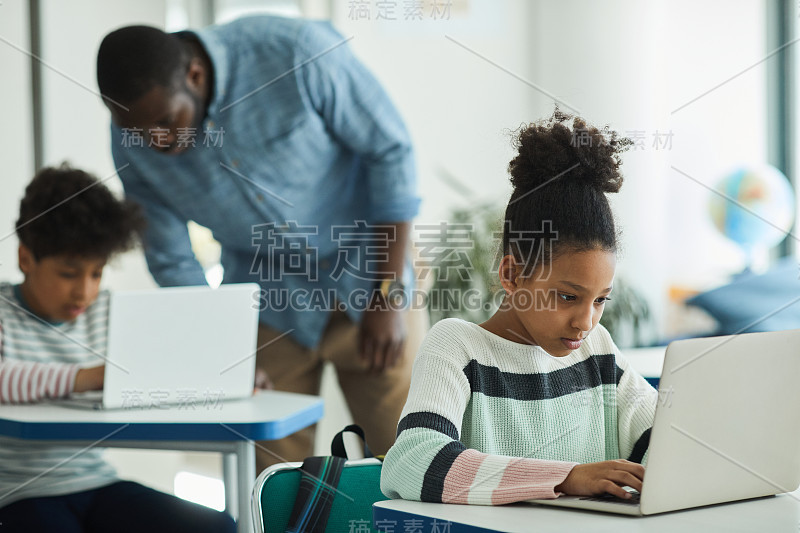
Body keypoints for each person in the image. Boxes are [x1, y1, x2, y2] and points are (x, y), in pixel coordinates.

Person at [95, 15, 424, 471]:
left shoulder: (294, 51)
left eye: (166, 122)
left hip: (371, 279)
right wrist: (222, 351)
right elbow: (171, 256)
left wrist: (389, 294)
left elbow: (390, 151)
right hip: (270, 301)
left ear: (194, 75)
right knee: (271, 479)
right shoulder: (130, 140)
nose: (156, 142)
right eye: (139, 132)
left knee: (411, 461)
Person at [380, 111, 659, 504]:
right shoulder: (458, 348)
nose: (586, 321)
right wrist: (566, 478)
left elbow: (667, 444)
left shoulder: (599, 352)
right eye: (568, 296)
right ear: (512, 274)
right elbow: (411, 462)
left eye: (600, 300)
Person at [0, 165, 236, 533]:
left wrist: (225, 374)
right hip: (18, 491)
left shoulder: (107, 312)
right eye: (69, 273)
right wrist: (88, 378)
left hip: (95, 481)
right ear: (26, 258)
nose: (85, 292)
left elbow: (162, 364)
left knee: (217, 526)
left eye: (97, 273)